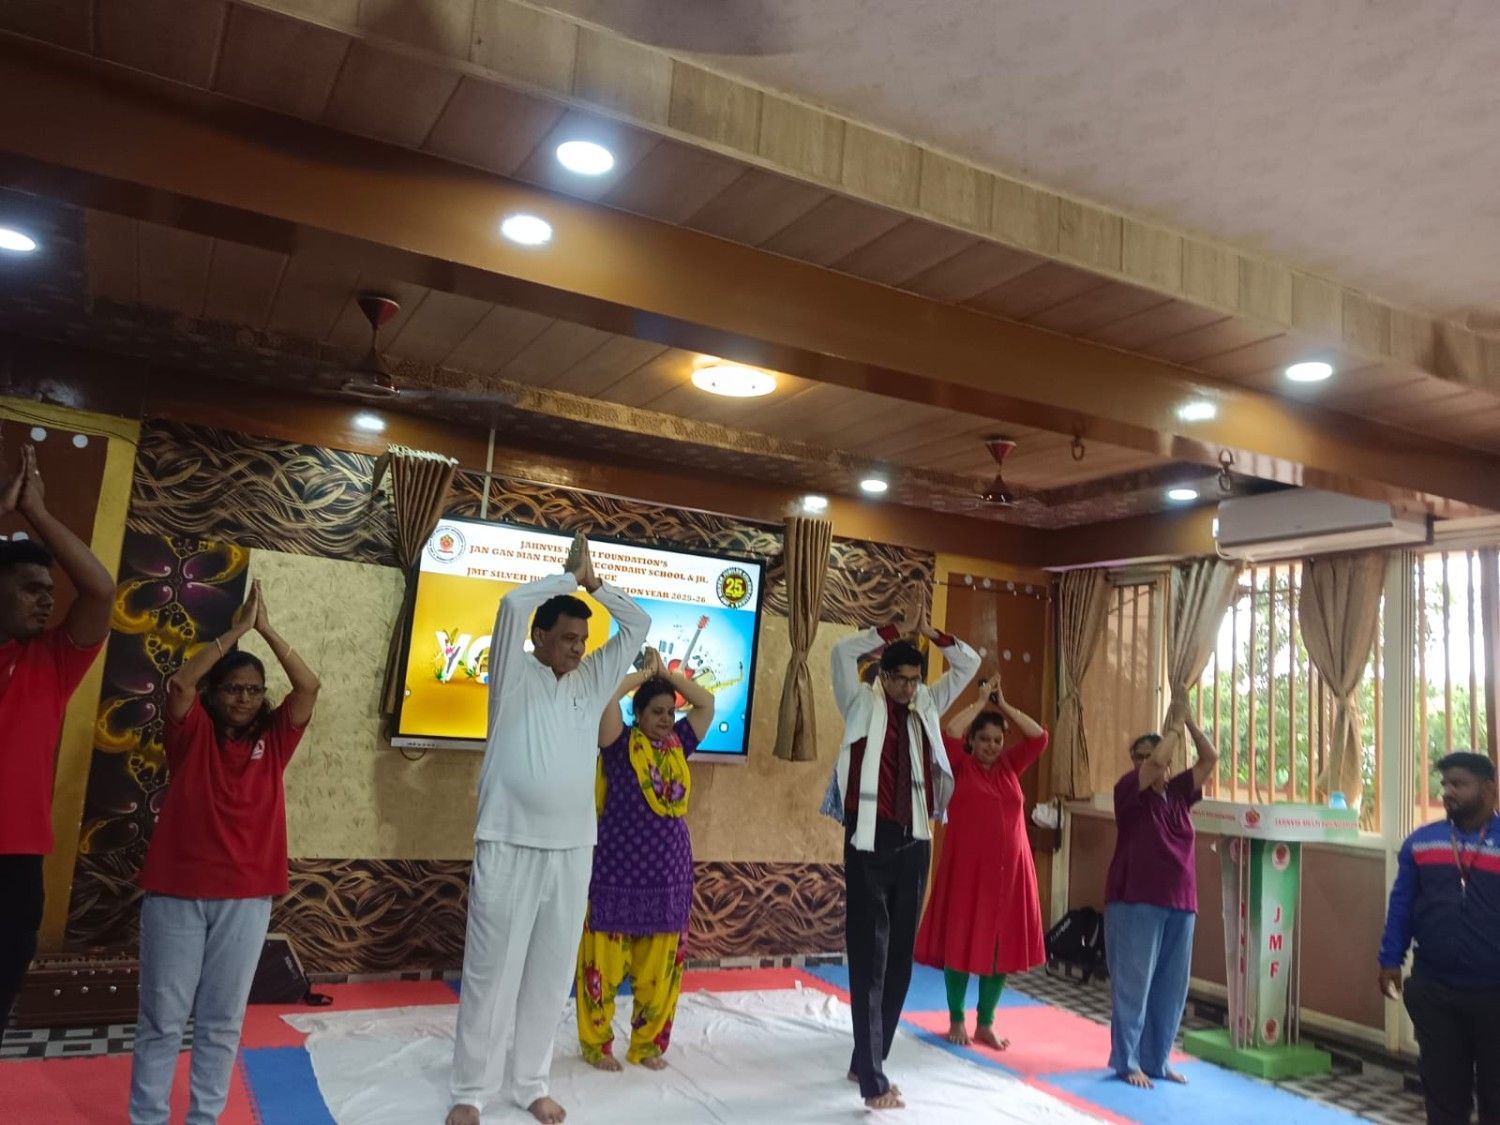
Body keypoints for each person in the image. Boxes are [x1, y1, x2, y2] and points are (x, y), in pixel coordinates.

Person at [448, 533, 650, 1125]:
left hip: (572, 847)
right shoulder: (512, 673)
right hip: (508, 841)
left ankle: (531, 1081)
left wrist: (595, 584)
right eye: (567, 638)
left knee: (551, 971)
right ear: (539, 637)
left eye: (582, 640)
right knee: (491, 972)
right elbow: (512, 604)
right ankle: (470, 1091)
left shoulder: (591, 678)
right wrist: (566, 579)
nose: (578, 648)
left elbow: (637, 625)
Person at [129, 579, 321, 1125]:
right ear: (214, 694)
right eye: (233, 688)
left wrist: (267, 630)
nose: (244, 698)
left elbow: (309, 686)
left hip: (246, 897)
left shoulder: (275, 740)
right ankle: (147, 1117)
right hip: (176, 894)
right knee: (162, 1019)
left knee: (221, 1020)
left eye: (254, 690)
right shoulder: (190, 733)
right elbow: (181, 683)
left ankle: (204, 1118)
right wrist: (236, 631)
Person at [820, 596, 979, 1110]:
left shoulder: (926, 705)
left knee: (901, 965)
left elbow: (970, 664)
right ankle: (873, 1082)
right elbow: (842, 653)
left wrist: (931, 634)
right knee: (870, 960)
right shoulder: (859, 702)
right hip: (868, 843)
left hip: (915, 843)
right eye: (901, 680)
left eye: (915, 680)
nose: (909, 688)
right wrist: (891, 630)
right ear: (883, 676)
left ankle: (866, 1060)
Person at [0, 444, 114, 1025]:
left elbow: (100, 591)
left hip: (17, 862)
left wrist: (37, 513)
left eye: (49, 589)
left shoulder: (51, 662)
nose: (48, 599)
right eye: (31, 588)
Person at [575, 646, 715, 1071]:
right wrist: (643, 675)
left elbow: (706, 704)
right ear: (637, 713)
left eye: (669, 712)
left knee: (660, 970)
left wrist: (666, 677)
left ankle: (647, 1045)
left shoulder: (678, 746)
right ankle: (597, 1045)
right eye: (656, 711)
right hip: (615, 874)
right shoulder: (618, 744)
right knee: (601, 967)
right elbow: (605, 698)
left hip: (668, 876)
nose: (665, 719)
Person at [914, 673, 1049, 1050]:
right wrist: (980, 701)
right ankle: (957, 1018)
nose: (991, 746)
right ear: (972, 741)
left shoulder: (1010, 767)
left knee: (1000, 950)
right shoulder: (959, 765)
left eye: (997, 740)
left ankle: (985, 1023)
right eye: (984, 739)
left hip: (1011, 875)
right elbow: (949, 732)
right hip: (968, 873)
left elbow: (1039, 738)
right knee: (960, 942)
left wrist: (1003, 705)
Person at [1378, 750, 1500, 1125]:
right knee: (1444, 1098)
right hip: (1434, 989)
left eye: (1459, 784)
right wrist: (1390, 959)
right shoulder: (1422, 842)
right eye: (1445, 784)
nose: (1448, 792)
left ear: (1489, 789)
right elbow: (1402, 905)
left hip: (1494, 992)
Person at [1103, 718, 1217, 1090]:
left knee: (1170, 989)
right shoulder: (1128, 790)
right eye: (1138, 757)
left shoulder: (1179, 792)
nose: (1145, 762)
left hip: (1181, 902)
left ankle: (1157, 1059)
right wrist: (1172, 729)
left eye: (1151, 756)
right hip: (1135, 900)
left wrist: (1188, 721)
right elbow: (1153, 765)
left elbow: (1209, 758)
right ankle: (1127, 1061)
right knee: (1133, 987)